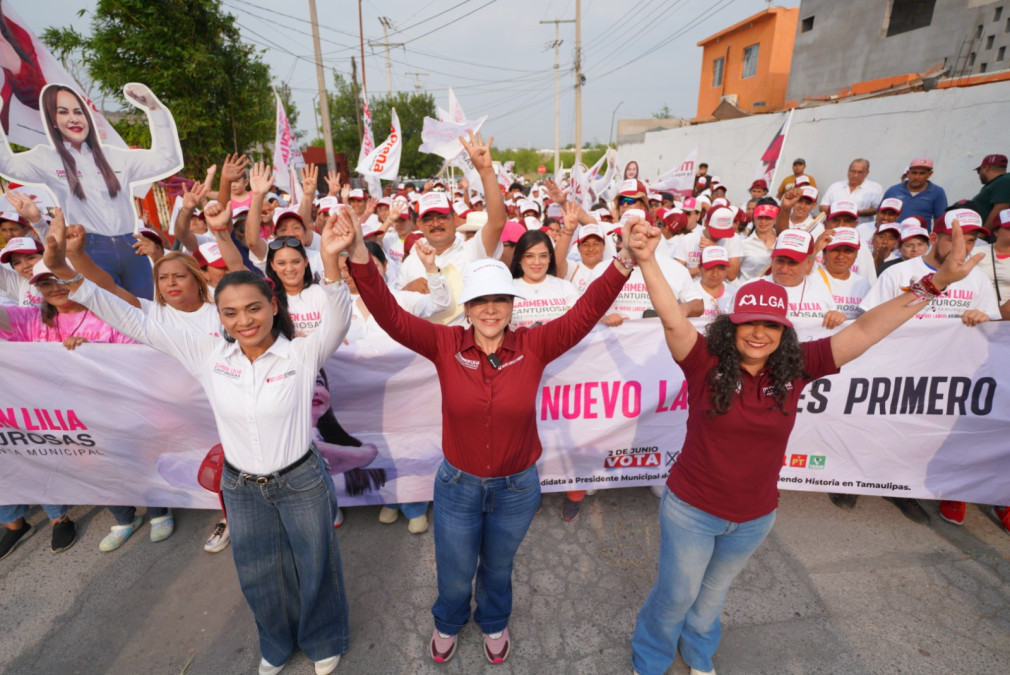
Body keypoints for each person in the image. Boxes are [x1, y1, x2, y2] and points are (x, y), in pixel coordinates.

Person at [628, 213, 985, 675]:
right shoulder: (703, 362)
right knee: (677, 594)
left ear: (785, 332)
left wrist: (935, 283)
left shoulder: (797, 366)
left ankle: (698, 650)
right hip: (692, 511)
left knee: (713, 593)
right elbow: (672, 318)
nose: (759, 333)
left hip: (754, 517)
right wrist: (647, 260)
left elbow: (866, 330)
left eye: (772, 325)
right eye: (749, 323)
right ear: (731, 326)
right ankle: (651, 657)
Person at [346, 131, 637, 665]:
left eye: (500, 300)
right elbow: (388, 314)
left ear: (512, 303)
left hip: (517, 487)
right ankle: (449, 621)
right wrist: (358, 255)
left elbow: (584, 313)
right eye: (480, 301)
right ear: (468, 306)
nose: (490, 310)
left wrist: (624, 261)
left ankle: (495, 621)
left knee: (498, 568)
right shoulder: (444, 343)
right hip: (457, 487)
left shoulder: (536, 344)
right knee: (455, 570)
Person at [44, 209, 355, 675]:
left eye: (253, 308)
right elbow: (132, 320)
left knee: (316, 564)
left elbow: (339, 318)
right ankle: (275, 642)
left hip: (302, 481)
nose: (244, 320)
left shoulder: (302, 352)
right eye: (231, 313)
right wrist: (70, 272)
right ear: (220, 317)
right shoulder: (208, 353)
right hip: (241, 487)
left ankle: (323, 638)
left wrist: (330, 262)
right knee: (257, 571)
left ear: (273, 306)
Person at [0, 82, 183, 299]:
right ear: (53, 121)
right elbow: (8, 165)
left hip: (132, 245)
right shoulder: (46, 158)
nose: (73, 118)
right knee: (108, 309)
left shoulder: (116, 157)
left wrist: (155, 110)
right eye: (63, 112)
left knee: (146, 308)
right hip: (89, 248)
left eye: (78, 112)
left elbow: (167, 160)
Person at [882, 157, 947, 226]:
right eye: (914, 173)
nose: (917, 177)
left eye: (922, 173)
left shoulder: (937, 192)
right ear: (908, 173)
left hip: (920, 232)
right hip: (893, 232)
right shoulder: (893, 190)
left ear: (929, 174)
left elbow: (940, 221)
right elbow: (880, 214)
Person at [819, 159, 882, 226]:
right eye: (853, 171)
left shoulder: (875, 188)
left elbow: (878, 209)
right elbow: (822, 207)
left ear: (867, 173)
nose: (855, 175)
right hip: (835, 227)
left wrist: (856, 213)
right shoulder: (835, 186)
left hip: (861, 228)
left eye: (860, 172)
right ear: (848, 171)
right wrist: (842, 212)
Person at [970, 153, 1010, 232]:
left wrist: (983, 233)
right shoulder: (998, 182)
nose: (979, 175)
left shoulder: (1004, 180)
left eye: (979, 171)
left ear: (986, 168)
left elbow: (1001, 208)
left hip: (990, 236)